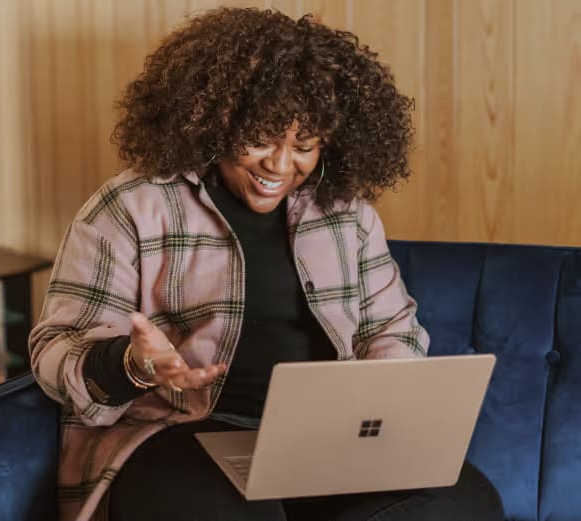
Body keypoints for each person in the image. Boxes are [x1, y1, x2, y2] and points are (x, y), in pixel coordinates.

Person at [29, 7, 504, 521]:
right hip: (179, 435)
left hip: (325, 442)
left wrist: (380, 406)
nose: (279, 166)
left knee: (466, 501)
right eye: (259, 139)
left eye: (303, 146)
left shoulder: (349, 215)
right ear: (215, 121)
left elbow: (392, 330)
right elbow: (55, 350)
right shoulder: (132, 207)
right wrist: (132, 363)